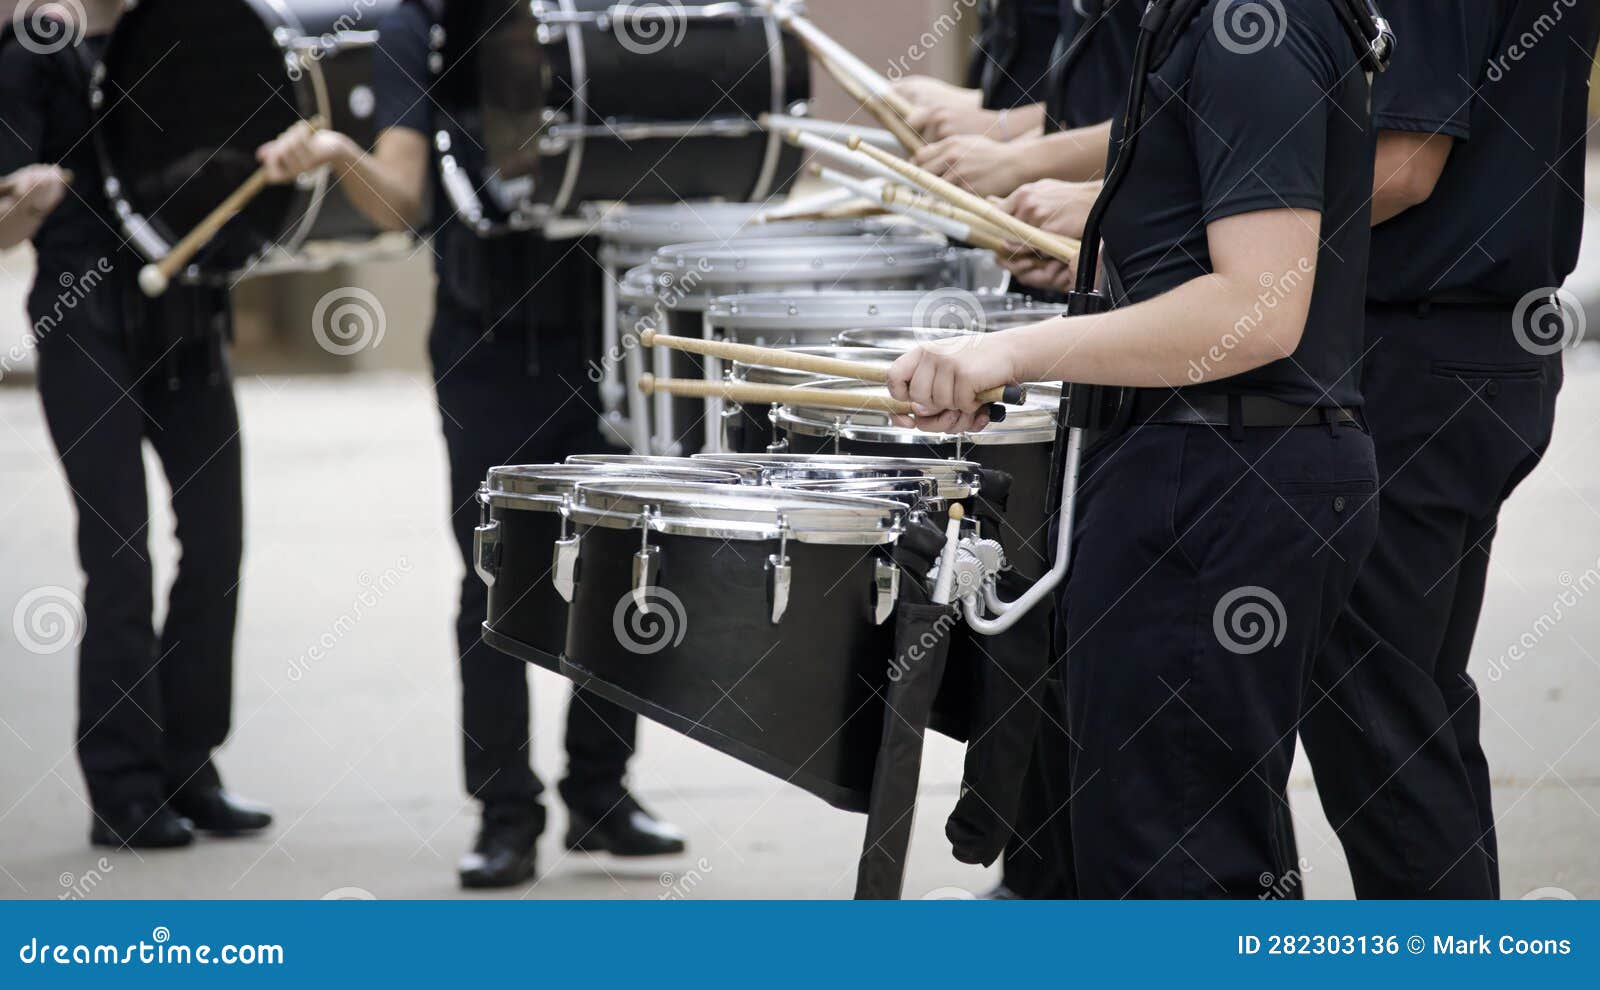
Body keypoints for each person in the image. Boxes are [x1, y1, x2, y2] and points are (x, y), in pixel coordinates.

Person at [886, 0, 1380, 896]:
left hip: (1228, 484)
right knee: (1143, 859)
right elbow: (1201, 247)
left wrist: (1006, 353)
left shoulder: (1251, 25)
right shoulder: (1199, 21)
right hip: (1191, 468)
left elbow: (1257, 311)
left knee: (1181, 877)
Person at [254, 0, 686, 889]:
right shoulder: (424, 28)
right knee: (496, 572)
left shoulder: (598, 17)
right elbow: (399, 201)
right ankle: (504, 811)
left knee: (621, 561)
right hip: (484, 339)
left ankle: (602, 796)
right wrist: (339, 153)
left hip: (606, 330)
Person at [1300, 0, 1600, 899]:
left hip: (1420, 358)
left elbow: (1402, 169)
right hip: (1467, 351)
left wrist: (1217, 250)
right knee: (1412, 697)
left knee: (1375, 706)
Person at [0, 0, 271, 848]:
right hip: (85, 316)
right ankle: (121, 786)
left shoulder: (197, 33)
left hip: (189, 309)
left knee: (218, 539)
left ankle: (189, 761)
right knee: (119, 554)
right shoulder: (35, 53)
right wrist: (26, 208)